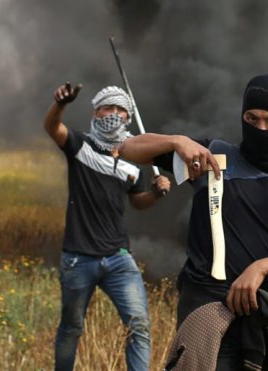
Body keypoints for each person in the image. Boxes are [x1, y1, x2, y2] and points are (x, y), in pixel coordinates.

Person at [117, 73, 268, 370]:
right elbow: (129, 148)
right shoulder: (212, 156)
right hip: (207, 309)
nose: (261, 129)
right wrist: (177, 141)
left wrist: (262, 267)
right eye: (252, 119)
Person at [45, 82, 171, 371]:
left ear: (128, 117)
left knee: (138, 326)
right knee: (72, 328)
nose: (113, 114)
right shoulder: (80, 146)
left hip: (118, 257)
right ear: (96, 112)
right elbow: (53, 126)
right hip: (78, 257)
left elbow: (137, 201)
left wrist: (155, 192)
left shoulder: (133, 160)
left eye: (119, 109)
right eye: (107, 108)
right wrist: (61, 104)